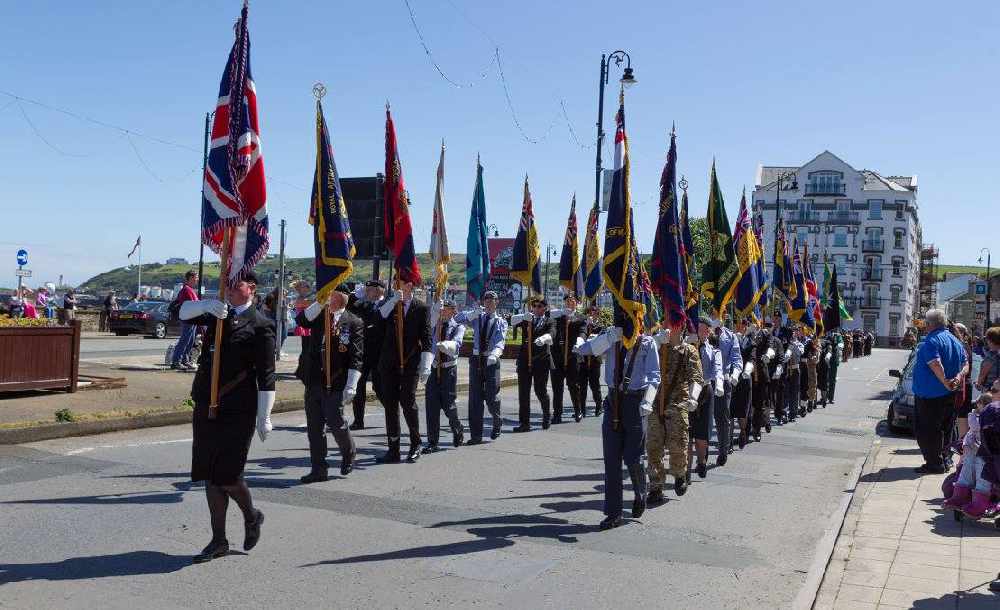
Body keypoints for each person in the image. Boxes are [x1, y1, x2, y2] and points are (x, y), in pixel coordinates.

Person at [178, 270, 275, 564]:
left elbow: (267, 376)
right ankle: (218, 540)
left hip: (238, 409)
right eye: (227, 284)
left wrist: (264, 415)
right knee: (210, 476)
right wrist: (206, 305)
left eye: (236, 285)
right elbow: (182, 313)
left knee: (229, 477)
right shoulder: (217, 314)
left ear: (251, 288)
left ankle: (251, 515)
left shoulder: (261, 325)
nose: (229, 289)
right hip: (207, 404)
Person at [575, 316, 660, 530]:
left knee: (633, 457)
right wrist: (607, 338)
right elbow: (585, 350)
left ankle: (641, 493)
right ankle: (613, 512)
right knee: (611, 460)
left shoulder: (647, 343)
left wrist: (648, 400)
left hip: (635, 402)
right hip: (613, 401)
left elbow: (654, 375)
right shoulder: (611, 339)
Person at [294, 286, 362, 483]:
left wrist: (352, 384)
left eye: (332, 294)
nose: (329, 297)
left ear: (342, 297)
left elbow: (356, 356)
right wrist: (319, 303)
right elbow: (301, 321)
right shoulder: (319, 314)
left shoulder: (353, 322)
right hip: (314, 378)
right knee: (314, 427)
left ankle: (348, 453)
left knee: (336, 422)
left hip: (337, 380)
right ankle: (318, 469)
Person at [376, 278, 433, 464]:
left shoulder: (421, 308)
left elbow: (426, 337)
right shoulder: (389, 304)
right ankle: (393, 449)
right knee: (390, 405)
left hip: (410, 362)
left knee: (408, 402)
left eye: (403, 282)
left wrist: (426, 365)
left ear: (411, 285)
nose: (400, 285)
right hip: (389, 362)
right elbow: (379, 318)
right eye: (397, 282)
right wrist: (393, 301)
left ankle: (416, 444)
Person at [646, 320, 702, 502]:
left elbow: (696, 377)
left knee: (677, 444)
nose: (669, 327)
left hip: (677, 403)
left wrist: (693, 397)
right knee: (653, 446)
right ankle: (655, 486)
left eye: (674, 323)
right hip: (654, 404)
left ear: (681, 327)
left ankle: (679, 474)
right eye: (667, 323)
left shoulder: (688, 351)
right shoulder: (657, 346)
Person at [912, 309, 967, 475]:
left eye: (925, 323)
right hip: (949, 394)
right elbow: (965, 364)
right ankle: (944, 460)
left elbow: (935, 363)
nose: (924, 326)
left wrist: (945, 382)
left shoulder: (931, 341)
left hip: (930, 395)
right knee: (946, 428)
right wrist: (957, 378)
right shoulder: (956, 341)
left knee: (927, 430)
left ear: (930, 324)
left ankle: (934, 464)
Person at [455, 291, 507, 443]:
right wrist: (472, 313)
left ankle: (497, 421)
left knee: (492, 397)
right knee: (475, 399)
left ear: (497, 302)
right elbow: (457, 319)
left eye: (492, 300)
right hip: (476, 360)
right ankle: (476, 435)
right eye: (486, 300)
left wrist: (495, 354)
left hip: (491, 360)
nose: (489, 303)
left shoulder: (500, 321)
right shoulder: (477, 317)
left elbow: (500, 341)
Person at [424, 299, 466, 451]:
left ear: (453, 311)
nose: (443, 312)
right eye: (442, 309)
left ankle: (457, 427)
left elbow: (457, 343)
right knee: (432, 406)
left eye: (447, 309)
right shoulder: (435, 325)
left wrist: (447, 345)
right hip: (434, 368)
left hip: (448, 370)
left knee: (449, 406)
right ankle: (432, 442)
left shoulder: (458, 327)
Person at [347, 280, 386, 431]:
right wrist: (358, 294)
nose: (367, 292)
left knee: (379, 387)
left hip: (379, 353)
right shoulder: (364, 304)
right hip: (363, 352)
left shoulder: (386, 304)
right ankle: (358, 420)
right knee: (358, 385)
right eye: (366, 290)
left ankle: (391, 410)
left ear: (379, 291)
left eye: (370, 290)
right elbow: (350, 304)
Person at [510, 297, 554, 432]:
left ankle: (547, 415)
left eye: (540, 306)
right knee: (523, 393)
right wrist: (523, 317)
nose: (536, 308)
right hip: (524, 360)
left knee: (540, 391)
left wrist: (544, 338)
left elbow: (552, 334)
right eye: (534, 306)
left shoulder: (549, 321)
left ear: (545, 308)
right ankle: (524, 423)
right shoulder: (527, 319)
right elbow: (511, 321)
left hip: (541, 360)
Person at [692, 317, 724, 478]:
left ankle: (702, 461)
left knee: (703, 431)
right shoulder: (688, 346)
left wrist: (719, 383)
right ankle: (684, 471)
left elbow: (717, 368)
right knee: (688, 430)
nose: (702, 332)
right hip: (688, 391)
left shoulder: (713, 350)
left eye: (705, 330)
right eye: (699, 329)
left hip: (705, 390)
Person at [549, 294, 587, 423]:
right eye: (567, 301)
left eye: (572, 301)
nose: (570, 303)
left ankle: (578, 410)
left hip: (573, 356)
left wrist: (580, 341)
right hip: (557, 356)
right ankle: (557, 414)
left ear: (576, 303)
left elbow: (583, 331)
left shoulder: (581, 318)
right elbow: (549, 319)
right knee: (557, 387)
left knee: (573, 385)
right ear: (564, 302)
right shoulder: (558, 316)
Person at [713, 318, 743, 462]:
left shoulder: (731, 336)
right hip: (705, 380)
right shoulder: (704, 332)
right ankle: (702, 455)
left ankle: (723, 450)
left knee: (723, 417)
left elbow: (737, 359)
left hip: (724, 380)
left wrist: (735, 374)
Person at [731, 319, 756, 450]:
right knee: (729, 410)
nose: (741, 326)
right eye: (739, 324)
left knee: (743, 410)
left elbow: (752, 357)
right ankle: (727, 440)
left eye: (744, 324)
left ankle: (742, 432)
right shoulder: (729, 338)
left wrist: (748, 369)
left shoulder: (750, 342)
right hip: (731, 379)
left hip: (745, 379)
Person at [578, 304, 605, 417]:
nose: (591, 315)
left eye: (594, 312)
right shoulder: (583, 326)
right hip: (583, 360)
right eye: (590, 313)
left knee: (595, 386)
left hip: (594, 360)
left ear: (597, 314)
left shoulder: (601, 327)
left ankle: (599, 406)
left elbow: (601, 341)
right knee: (582, 386)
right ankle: (581, 409)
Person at [171, 271, 200, 370]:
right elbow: (191, 305)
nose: (197, 279)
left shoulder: (189, 289)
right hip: (188, 319)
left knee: (190, 340)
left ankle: (184, 360)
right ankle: (176, 361)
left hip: (192, 319)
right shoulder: (186, 290)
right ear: (191, 278)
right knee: (184, 340)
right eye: (196, 277)